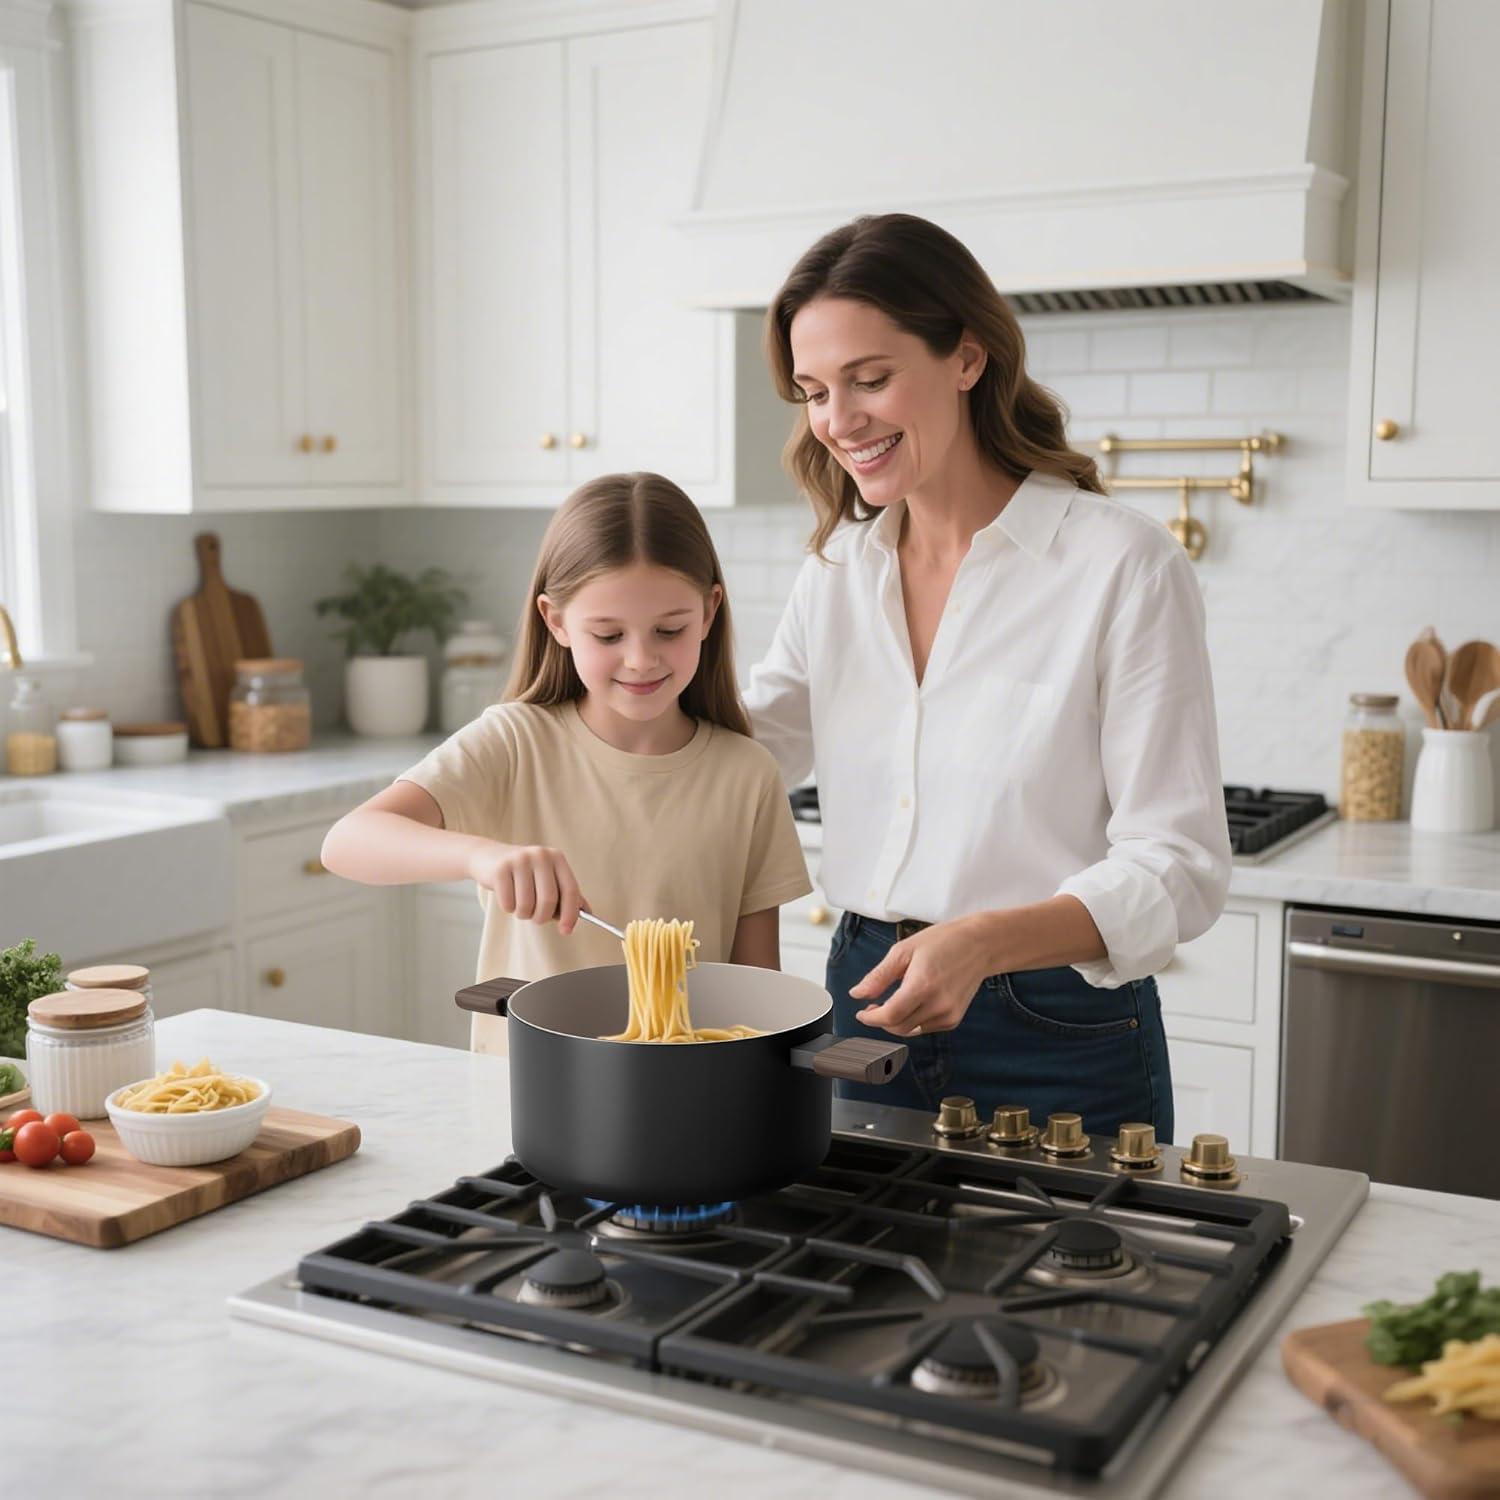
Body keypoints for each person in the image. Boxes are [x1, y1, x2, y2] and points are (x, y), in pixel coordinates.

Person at [743, 214, 1232, 1142]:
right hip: (867, 995)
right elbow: (745, 750)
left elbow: (1182, 866)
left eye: (870, 379)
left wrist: (983, 943)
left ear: (967, 358)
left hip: (1056, 1025)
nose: (838, 422)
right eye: (813, 392)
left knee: (1082, 1285)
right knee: (870, 1280)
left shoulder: (1121, 564)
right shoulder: (841, 569)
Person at [322, 472, 813, 1055]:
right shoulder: (515, 742)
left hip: (685, 1096)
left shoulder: (746, 775)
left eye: (670, 629)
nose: (640, 658)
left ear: (709, 613)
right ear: (556, 622)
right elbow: (348, 841)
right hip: (525, 1093)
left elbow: (759, 998)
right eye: (607, 634)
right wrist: (483, 856)